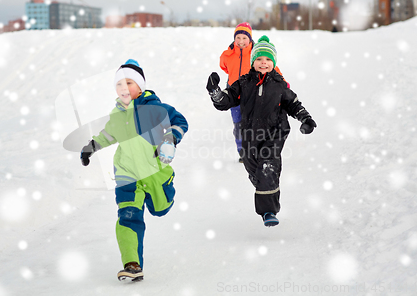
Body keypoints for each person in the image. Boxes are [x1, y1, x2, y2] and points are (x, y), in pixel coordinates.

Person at [80, 59, 188, 281]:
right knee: (128, 216)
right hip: (126, 174)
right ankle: (132, 264)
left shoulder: (155, 108)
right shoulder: (117, 114)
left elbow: (179, 121)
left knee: (161, 208)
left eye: (129, 83)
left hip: (154, 170)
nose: (123, 88)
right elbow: (108, 135)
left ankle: (164, 192)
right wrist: (92, 147)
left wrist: (171, 137)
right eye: (119, 85)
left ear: (140, 87)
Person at [206, 36, 317, 227]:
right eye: (258, 59)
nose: (263, 63)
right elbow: (227, 100)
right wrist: (215, 92)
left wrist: (305, 119)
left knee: (267, 167)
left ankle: (268, 211)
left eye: (267, 60)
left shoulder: (280, 86)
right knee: (254, 169)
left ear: (273, 63)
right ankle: (263, 185)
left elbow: (294, 104)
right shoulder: (244, 83)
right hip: (250, 135)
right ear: (253, 62)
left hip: (275, 133)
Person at [219, 22, 286, 162]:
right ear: (234, 38)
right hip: (234, 94)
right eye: (238, 38)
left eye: (245, 38)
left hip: (252, 95)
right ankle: (242, 151)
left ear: (250, 39)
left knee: (252, 124)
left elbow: (271, 67)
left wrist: (282, 83)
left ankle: (257, 150)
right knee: (238, 125)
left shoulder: (256, 54)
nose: (241, 41)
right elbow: (224, 67)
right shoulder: (227, 55)